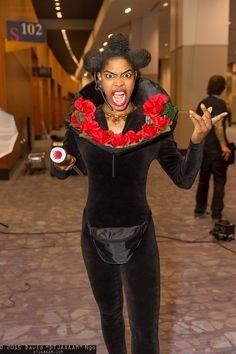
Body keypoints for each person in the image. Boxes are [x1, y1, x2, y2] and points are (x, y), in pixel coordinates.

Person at [51, 34, 227, 354]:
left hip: (140, 235)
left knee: (145, 325)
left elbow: (185, 178)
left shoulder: (153, 126)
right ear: (97, 79)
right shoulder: (82, 125)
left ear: (136, 79)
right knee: (109, 314)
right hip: (93, 233)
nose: (119, 83)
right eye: (110, 75)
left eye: (127, 75)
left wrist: (199, 140)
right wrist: (61, 165)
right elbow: (59, 168)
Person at [194, 75, 231, 222]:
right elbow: (218, 126)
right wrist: (223, 145)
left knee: (203, 180)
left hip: (203, 148)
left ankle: (199, 208)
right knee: (219, 180)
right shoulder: (220, 103)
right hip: (216, 150)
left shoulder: (201, 103)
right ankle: (216, 213)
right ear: (222, 88)